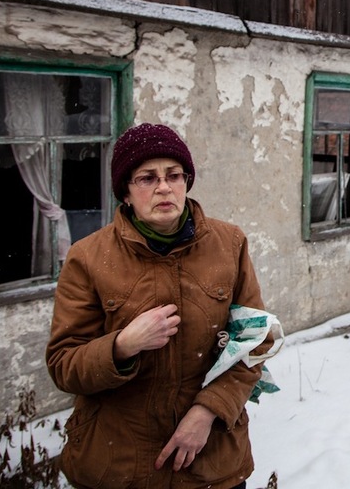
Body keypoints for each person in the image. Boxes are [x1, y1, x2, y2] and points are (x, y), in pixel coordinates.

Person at [47, 123, 271, 489]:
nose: (164, 187)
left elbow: (255, 340)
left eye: (173, 175)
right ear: (126, 193)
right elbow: (63, 366)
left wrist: (208, 410)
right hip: (118, 465)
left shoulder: (229, 244)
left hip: (210, 461)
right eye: (147, 178)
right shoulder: (87, 258)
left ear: (186, 181)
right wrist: (121, 346)